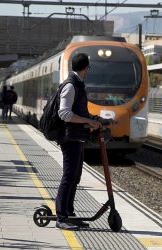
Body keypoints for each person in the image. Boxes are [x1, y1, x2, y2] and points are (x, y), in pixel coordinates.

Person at [55, 53, 102, 231]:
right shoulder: (71, 86)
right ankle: (61, 217)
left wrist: (94, 119)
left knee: (76, 176)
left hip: (78, 136)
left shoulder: (79, 85)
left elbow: (80, 111)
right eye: (88, 68)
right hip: (70, 137)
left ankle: (69, 213)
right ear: (85, 68)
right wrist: (88, 121)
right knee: (69, 176)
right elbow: (64, 113)